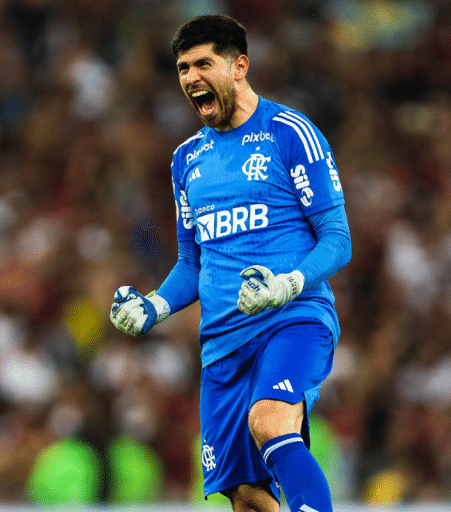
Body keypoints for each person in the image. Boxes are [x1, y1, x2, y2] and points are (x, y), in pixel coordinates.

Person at [110, 14, 351, 512]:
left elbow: (337, 240)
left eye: (203, 63)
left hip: (292, 318)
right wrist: (153, 306)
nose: (190, 77)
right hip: (221, 346)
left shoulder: (290, 133)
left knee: (269, 421)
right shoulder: (186, 160)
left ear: (239, 66)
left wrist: (287, 284)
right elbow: (191, 263)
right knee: (245, 496)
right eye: (182, 68)